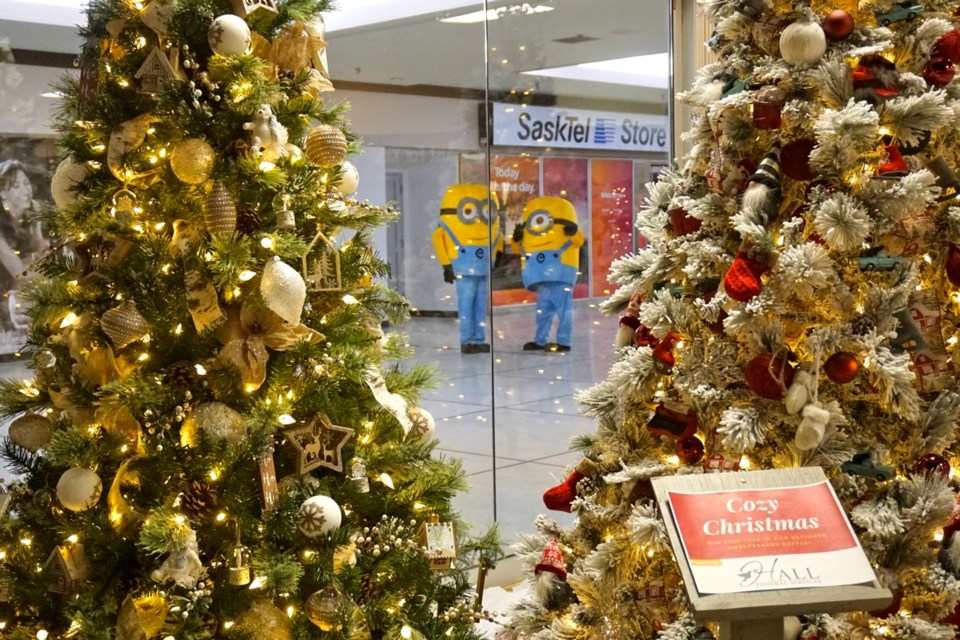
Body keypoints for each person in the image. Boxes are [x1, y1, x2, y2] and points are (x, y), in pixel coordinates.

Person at [432, 183, 503, 353]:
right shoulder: (447, 227)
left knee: (480, 306)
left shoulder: (491, 228)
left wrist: (497, 256)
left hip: (482, 267)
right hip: (463, 268)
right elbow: (438, 239)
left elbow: (498, 239)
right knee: (466, 305)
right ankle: (466, 340)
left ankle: (478, 340)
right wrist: (447, 265)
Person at [511, 196, 585, 352]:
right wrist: (516, 239)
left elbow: (579, 241)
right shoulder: (531, 234)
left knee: (563, 311)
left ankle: (564, 341)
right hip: (543, 279)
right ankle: (540, 340)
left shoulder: (569, 230)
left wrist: (573, 231)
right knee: (543, 312)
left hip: (561, 277)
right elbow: (520, 250)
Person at [0, 159, 46, 331]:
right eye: (17, 186)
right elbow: (19, 273)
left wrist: (37, 222)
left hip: (21, 286)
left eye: (26, 183)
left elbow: (41, 253)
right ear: (2, 193)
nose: (26, 191)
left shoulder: (33, 210)